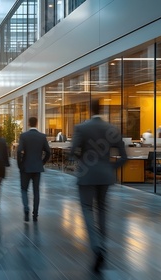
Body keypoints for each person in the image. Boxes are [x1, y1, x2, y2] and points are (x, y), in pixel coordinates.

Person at [70, 99, 127, 273]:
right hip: (105, 176)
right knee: (102, 209)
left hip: (86, 175)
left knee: (87, 209)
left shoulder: (81, 128)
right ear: (102, 109)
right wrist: (110, 168)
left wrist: (83, 163)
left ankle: (96, 248)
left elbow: (72, 152)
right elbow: (124, 156)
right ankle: (102, 246)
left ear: (89, 110)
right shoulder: (112, 129)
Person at [16, 117, 51, 222]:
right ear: (37, 123)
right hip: (37, 167)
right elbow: (48, 152)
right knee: (36, 191)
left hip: (25, 167)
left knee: (24, 189)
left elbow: (18, 151)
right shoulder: (42, 136)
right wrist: (42, 162)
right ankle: (35, 214)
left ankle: (26, 208)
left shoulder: (23, 136)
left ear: (28, 123)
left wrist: (20, 164)